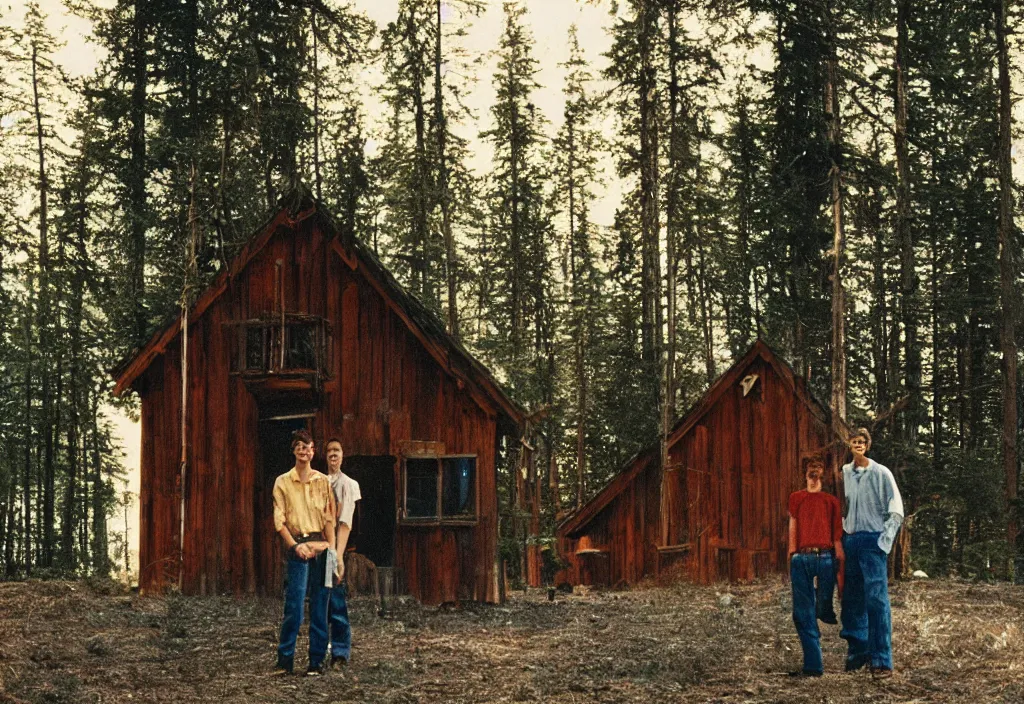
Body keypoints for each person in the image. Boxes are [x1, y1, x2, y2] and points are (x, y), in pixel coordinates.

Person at [840, 427, 903, 678]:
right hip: (850, 540)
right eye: (854, 441)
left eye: (862, 442)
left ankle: (881, 659)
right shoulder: (844, 473)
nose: (858, 445)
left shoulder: (881, 473)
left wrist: (883, 541)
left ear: (867, 445)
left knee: (876, 601)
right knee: (852, 599)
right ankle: (858, 653)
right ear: (849, 445)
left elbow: (896, 509)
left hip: (872, 541)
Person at [272, 429, 336, 676]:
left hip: (322, 549)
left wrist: (329, 549)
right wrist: (296, 546)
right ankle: (284, 661)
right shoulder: (282, 482)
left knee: (321, 607)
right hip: (297, 548)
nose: (304, 450)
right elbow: (280, 522)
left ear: (313, 451)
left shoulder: (323, 482)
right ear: (294, 450)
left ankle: (316, 662)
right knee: (295, 607)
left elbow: (329, 518)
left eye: (308, 446)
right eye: (299, 445)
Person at [788, 450, 844, 677]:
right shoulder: (796, 498)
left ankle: (825, 607)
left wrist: (840, 567)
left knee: (822, 607)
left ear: (824, 472)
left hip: (826, 558)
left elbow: (837, 535)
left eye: (819, 466)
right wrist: (791, 557)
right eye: (811, 466)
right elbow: (792, 528)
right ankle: (813, 665)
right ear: (804, 471)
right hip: (801, 558)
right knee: (802, 613)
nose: (814, 469)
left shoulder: (831, 501)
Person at [325, 437, 361, 668]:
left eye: (337, 450)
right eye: (329, 451)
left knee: (337, 601)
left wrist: (338, 556)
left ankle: (340, 651)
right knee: (320, 602)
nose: (333, 454)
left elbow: (345, 522)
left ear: (342, 455)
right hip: (319, 544)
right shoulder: (319, 481)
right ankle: (319, 651)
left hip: (336, 546)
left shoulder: (349, 484)